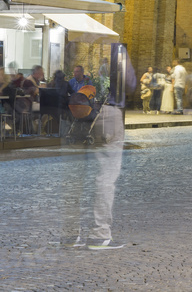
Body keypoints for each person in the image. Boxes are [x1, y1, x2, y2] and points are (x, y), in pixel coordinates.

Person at [60, 51, 137, 250]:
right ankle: (99, 234)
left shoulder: (81, 51)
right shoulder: (118, 54)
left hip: (81, 113)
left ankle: (70, 234)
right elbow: (130, 86)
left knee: (74, 178)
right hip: (107, 112)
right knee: (105, 178)